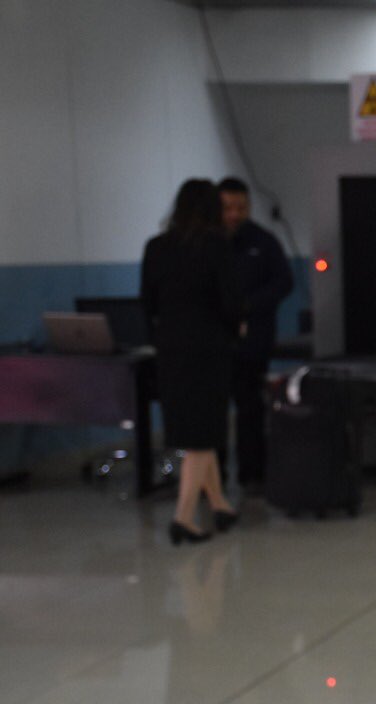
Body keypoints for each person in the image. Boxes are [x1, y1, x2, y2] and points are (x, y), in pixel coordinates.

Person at [141, 180, 241, 545]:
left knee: (195, 427)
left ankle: (219, 505)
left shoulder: (156, 248)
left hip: (170, 346)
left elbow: (148, 303)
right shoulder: (216, 247)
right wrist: (236, 327)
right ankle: (183, 516)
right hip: (208, 347)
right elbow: (230, 302)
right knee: (203, 434)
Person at [218, 177, 293, 491]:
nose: (234, 214)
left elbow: (283, 282)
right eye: (228, 208)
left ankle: (252, 475)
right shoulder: (209, 244)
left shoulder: (263, 242)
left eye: (241, 207)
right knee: (214, 414)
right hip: (217, 344)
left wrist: (250, 305)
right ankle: (214, 476)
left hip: (253, 342)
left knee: (250, 410)